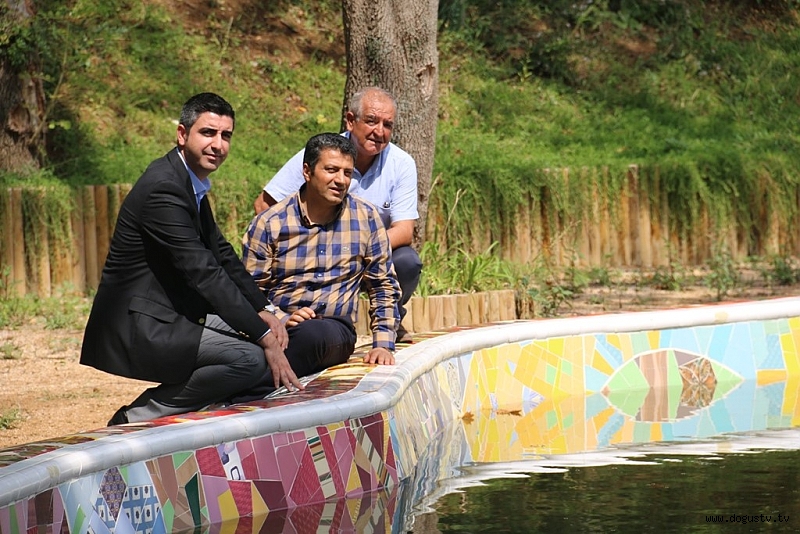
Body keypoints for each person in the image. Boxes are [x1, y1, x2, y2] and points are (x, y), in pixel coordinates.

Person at [81, 92, 301, 425]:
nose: (218, 144)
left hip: (172, 310)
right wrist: (263, 335)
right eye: (208, 133)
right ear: (182, 135)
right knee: (250, 359)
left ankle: (210, 402)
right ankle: (134, 418)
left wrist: (265, 310)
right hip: (140, 324)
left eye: (226, 135)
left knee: (272, 334)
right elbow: (205, 273)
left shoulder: (188, 181)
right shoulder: (164, 189)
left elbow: (222, 255)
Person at [253, 87, 421, 341]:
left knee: (408, 261)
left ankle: (390, 320)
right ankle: (295, 317)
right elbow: (264, 205)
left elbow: (404, 230)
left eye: (387, 125)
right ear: (351, 121)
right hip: (316, 258)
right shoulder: (322, 152)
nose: (379, 131)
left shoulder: (402, 163)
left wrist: (355, 250)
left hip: (369, 256)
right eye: (372, 121)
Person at [241, 132, 400, 394]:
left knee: (312, 336)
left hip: (332, 331)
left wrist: (383, 344)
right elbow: (250, 290)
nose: (341, 180)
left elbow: (383, 285)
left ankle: (245, 392)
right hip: (277, 327)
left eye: (347, 173)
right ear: (307, 171)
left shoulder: (366, 217)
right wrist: (282, 318)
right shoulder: (270, 223)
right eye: (331, 170)